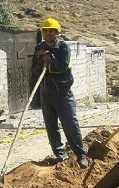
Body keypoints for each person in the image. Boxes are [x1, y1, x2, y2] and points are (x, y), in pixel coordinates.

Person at [32, 17, 88, 169]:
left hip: (63, 92)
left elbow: (62, 67)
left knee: (70, 123)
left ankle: (81, 154)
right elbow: (35, 71)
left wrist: (50, 58)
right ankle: (60, 154)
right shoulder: (39, 47)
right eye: (45, 31)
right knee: (51, 126)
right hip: (46, 93)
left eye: (51, 31)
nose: (48, 33)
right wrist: (40, 60)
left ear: (57, 33)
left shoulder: (63, 47)